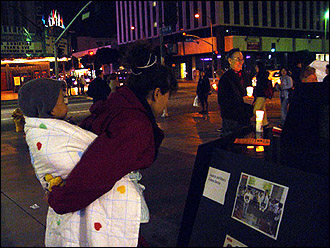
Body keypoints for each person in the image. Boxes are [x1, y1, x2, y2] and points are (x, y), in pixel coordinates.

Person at [47, 41, 178, 246]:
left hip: (101, 209)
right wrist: (60, 199)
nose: (166, 104)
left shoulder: (117, 106)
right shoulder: (135, 124)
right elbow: (99, 168)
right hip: (105, 212)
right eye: (168, 97)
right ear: (157, 93)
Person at [18, 78, 154, 246]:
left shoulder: (63, 128)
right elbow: (65, 161)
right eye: (63, 100)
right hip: (78, 200)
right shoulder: (45, 135)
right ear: (51, 109)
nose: (66, 102)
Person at [217, 48, 254, 136]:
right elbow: (223, 101)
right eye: (238, 59)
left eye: (242, 59)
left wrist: (252, 98)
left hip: (245, 117)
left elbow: (252, 90)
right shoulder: (225, 78)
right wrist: (241, 100)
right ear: (230, 60)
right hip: (232, 120)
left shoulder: (245, 76)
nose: (241, 62)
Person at [253, 61, 270, 128]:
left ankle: (261, 122)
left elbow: (262, 85)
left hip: (261, 94)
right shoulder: (262, 75)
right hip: (262, 94)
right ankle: (265, 123)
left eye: (256, 67)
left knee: (256, 110)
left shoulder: (261, 75)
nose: (255, 68)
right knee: (262, 109)